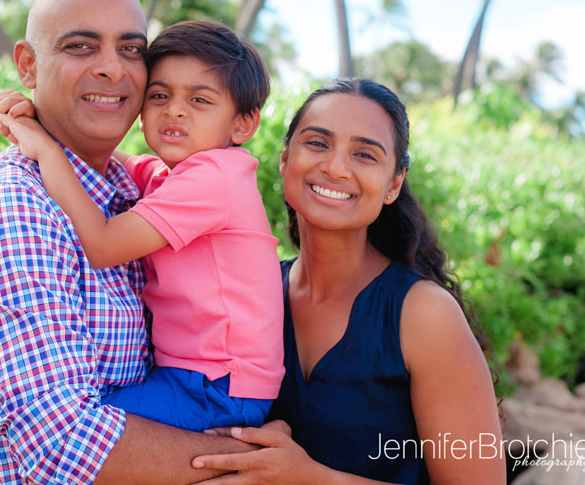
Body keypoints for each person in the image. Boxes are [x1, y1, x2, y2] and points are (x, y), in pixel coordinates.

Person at [0, 0, 255, 485]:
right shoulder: (13, 205)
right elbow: (60, 443)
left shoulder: (133, 188)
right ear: (28, 65)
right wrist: (257, 467)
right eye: (81, 46)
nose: (112, 69)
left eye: (131, 50)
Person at [192, 78, 506, 484]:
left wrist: (307, 478)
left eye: (364, 154)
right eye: (318, 143)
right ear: (285, 160)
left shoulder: (423, 315)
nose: (335, 167)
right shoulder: (248, 291)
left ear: (393, 183)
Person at [0, 20, 284, 433]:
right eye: (159, 95)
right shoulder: (176, 174)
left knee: (77, 430)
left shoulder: (215, 177)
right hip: (196, 378)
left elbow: (104, 244)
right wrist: (46, 115)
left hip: (217, 388)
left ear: (243, 125)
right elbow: (120, 162)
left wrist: (43, 149)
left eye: (200, 100)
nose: (174, 110)